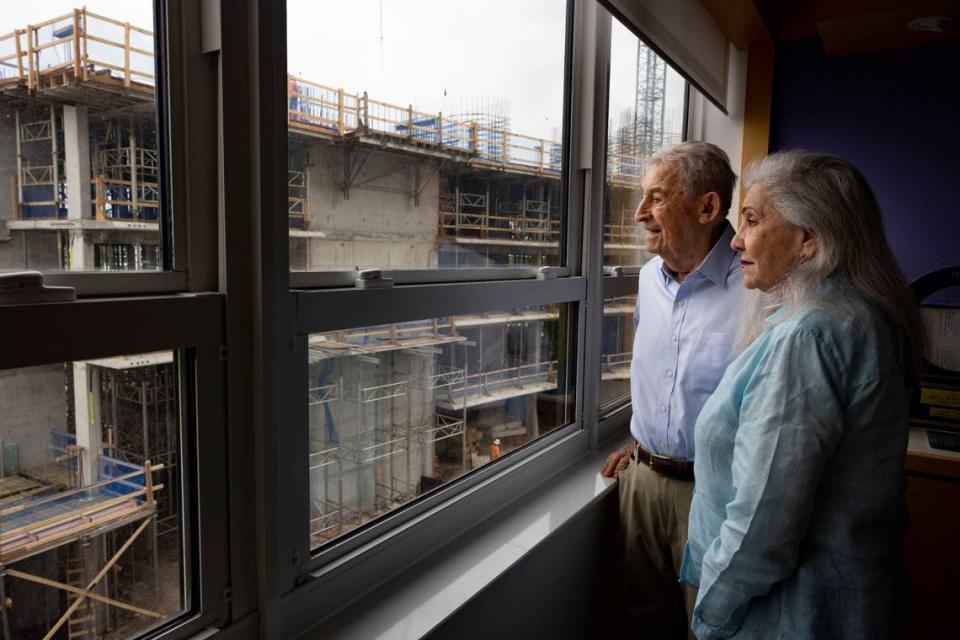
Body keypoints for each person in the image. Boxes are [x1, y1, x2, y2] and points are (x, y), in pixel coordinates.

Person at [680, 150, 923, 639]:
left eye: (751, 220)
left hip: (790, 615)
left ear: (808, 238)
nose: (737, 239)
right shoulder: (860, 316)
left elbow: (761, 526)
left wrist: (711, 615)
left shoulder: (807, 336)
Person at [600, 141, 744, 639]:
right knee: (642, 619)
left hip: (717, 491)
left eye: (656, 198)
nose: (640, 213)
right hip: (643, 480)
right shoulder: (647, 278)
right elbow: (662, 375)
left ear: (707, 207)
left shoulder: (757, 287)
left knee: (711, 625)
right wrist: (644, 444)